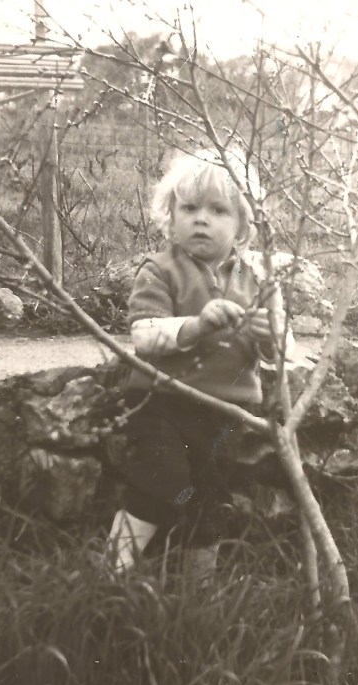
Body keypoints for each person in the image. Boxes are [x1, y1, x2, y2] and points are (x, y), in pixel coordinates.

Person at [106, 144, 294, 578]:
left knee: (209, 496)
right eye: (188, 208)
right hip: (161, 403)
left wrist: (272, 339)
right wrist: (197, 325)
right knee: (161, 483)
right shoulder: (160, 270)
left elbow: (276, 354)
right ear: (170, 217)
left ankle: (198, 586)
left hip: (226, 411)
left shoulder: (259, 278)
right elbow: (144, 335)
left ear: (243, 224)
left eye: (218, 210)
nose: (201, 219)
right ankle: (113, 570)